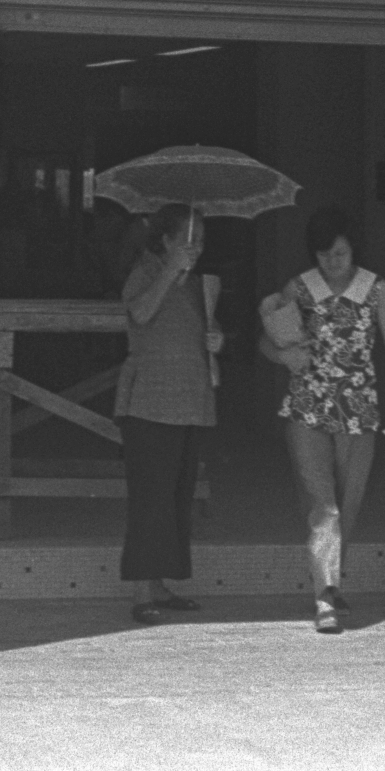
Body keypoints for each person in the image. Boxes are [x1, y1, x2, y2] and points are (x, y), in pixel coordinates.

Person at [262, 204, 385, 634]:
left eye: (341, 254)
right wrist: (283, 355)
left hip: (359, 409)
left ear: (355, 252)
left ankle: (329, 581)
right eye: (325, 254)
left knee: (347, 506)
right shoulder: (299, 287)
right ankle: (325, 597)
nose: (333, 263)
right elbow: (268, 338)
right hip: (307, 404)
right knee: (324, 507)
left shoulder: (376, 289)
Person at [116, 202, 217, 623]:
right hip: (150, 401)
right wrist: (168, 270)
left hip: (190, 399)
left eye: (200, 242)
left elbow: (200, 332)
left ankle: (161, 584)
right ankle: (142, 591)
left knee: (177, 497)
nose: (194, 249)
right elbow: (139, 312)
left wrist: (216, 339)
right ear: (166, 241)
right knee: (149, 496)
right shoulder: (145, 272)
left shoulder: (198, 285)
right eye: (187, 240)